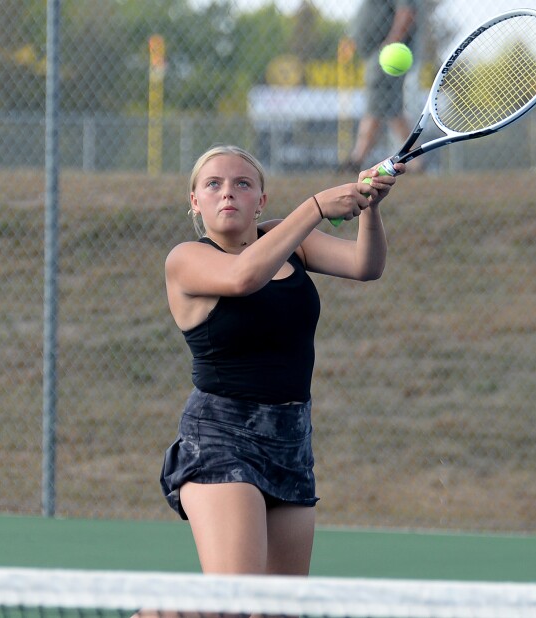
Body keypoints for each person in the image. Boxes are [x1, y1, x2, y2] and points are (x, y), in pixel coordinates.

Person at [160, 144, 404, 577]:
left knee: (278, 608)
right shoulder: (185, 259)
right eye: (213, 185)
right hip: (221, 437)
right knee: (234, 604)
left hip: (291, 441)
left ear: (261, 200)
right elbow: (243, 277)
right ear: (195, 202)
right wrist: (314, 207)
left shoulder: (291, 242)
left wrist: (370, 209)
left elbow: (366, 265)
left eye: (242, 184)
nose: (228, 193)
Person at [340, 0, 419, 174]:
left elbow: (406, 12)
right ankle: (415, 160)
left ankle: (357, 158)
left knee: (381, 104)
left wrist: (390, 43)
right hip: (379, 54)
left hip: (388, 55)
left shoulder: (388, 50)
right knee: (390, 108)